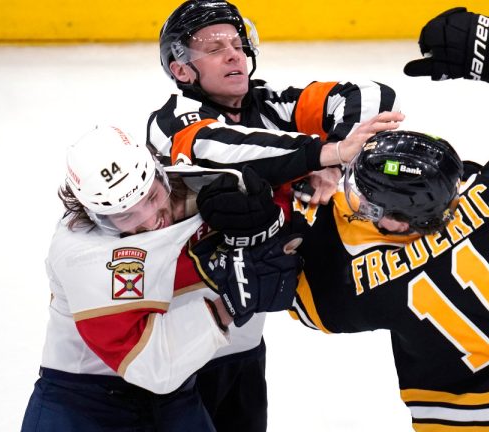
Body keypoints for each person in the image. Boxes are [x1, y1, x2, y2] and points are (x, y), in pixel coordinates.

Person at [196, 7, 489, 431]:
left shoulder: (359, 284)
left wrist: (272, 216)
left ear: (394, 222)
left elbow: (296, 297)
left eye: (364, 196)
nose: (348, 195)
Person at [147, 1, 403, 430]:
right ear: (182, 70)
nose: (234, 54)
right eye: (214, 47)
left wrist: (333, 165)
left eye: (237, 43)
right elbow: (219, 148)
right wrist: (325, 151)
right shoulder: (171, 121)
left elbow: (371, 95)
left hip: (246, 335)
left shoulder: (270, 105)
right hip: (177, 339)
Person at [20, 125, 300, 431]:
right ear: (95, 216)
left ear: (159, 172)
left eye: (152, 197)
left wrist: (310, 179)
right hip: (83, 401)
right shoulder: (80, 253)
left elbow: (281, 179)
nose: (152, 221)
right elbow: (153, 366)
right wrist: (230, 304)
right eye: (126, 216)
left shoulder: (202, 185)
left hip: (178, 396)